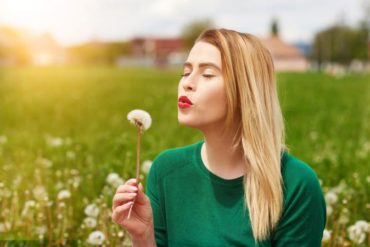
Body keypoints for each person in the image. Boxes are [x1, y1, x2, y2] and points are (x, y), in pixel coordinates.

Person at [112, 28, 326, 247]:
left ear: (245, 91)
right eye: (185, 72)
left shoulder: (296, 185)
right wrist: (142, 236)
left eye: (207, 74)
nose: (187, 83)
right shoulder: (166, 171)